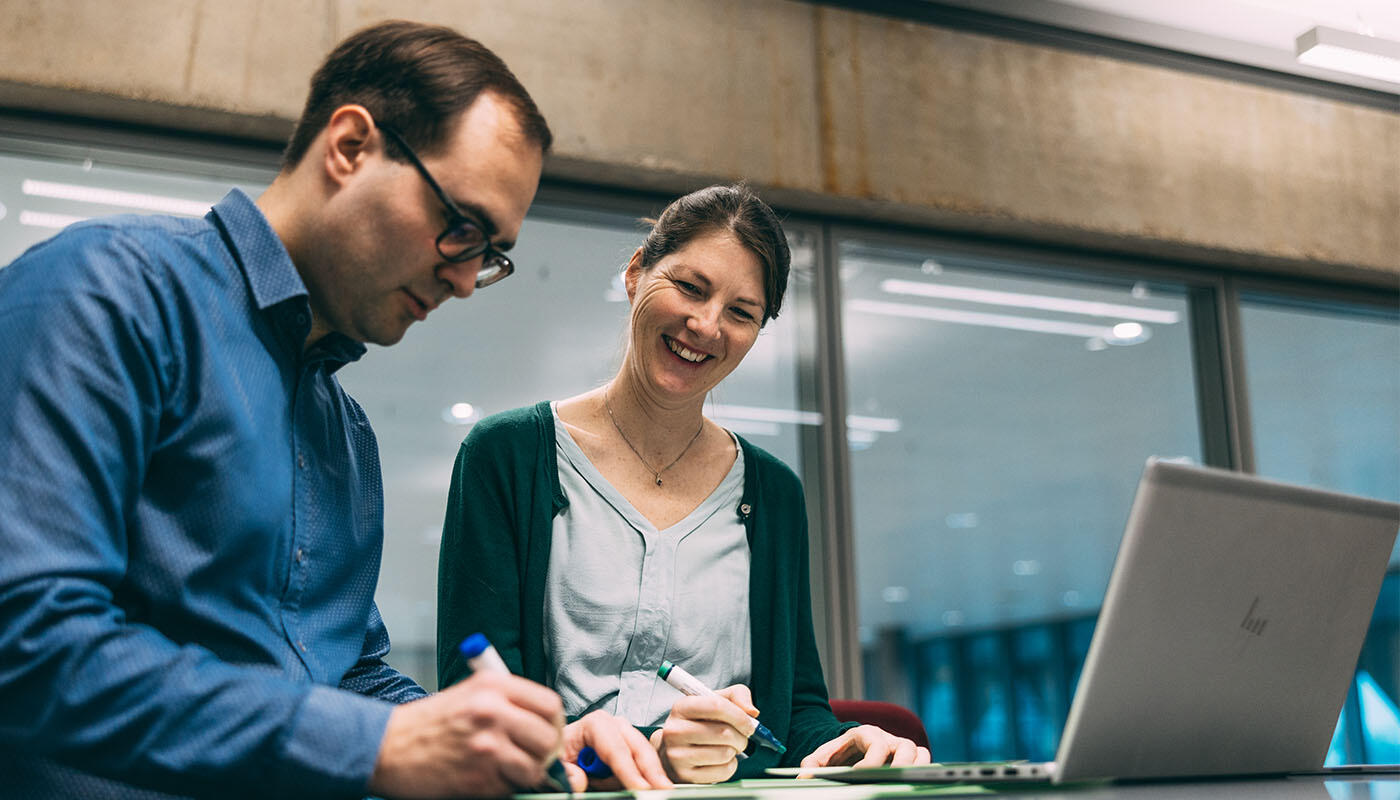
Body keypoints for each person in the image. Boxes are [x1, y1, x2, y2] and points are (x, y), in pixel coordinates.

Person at [0, 19, 662, 799]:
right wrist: (374, 742)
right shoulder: (109, 292)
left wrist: (502, 743)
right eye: (463, 229)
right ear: (349, 146)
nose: (461, 281)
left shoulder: (345, 433)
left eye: (490, 254)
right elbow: (27, 642)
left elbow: (348, 673)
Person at [436, 184, 933, 784]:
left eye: (741, 313)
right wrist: (658, 752)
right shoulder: (507, 457)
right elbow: (480, 709)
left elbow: (793, 713)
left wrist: (846, 745)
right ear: (636, 274)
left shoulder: (773, 494)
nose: (706, 325)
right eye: (690, 288)